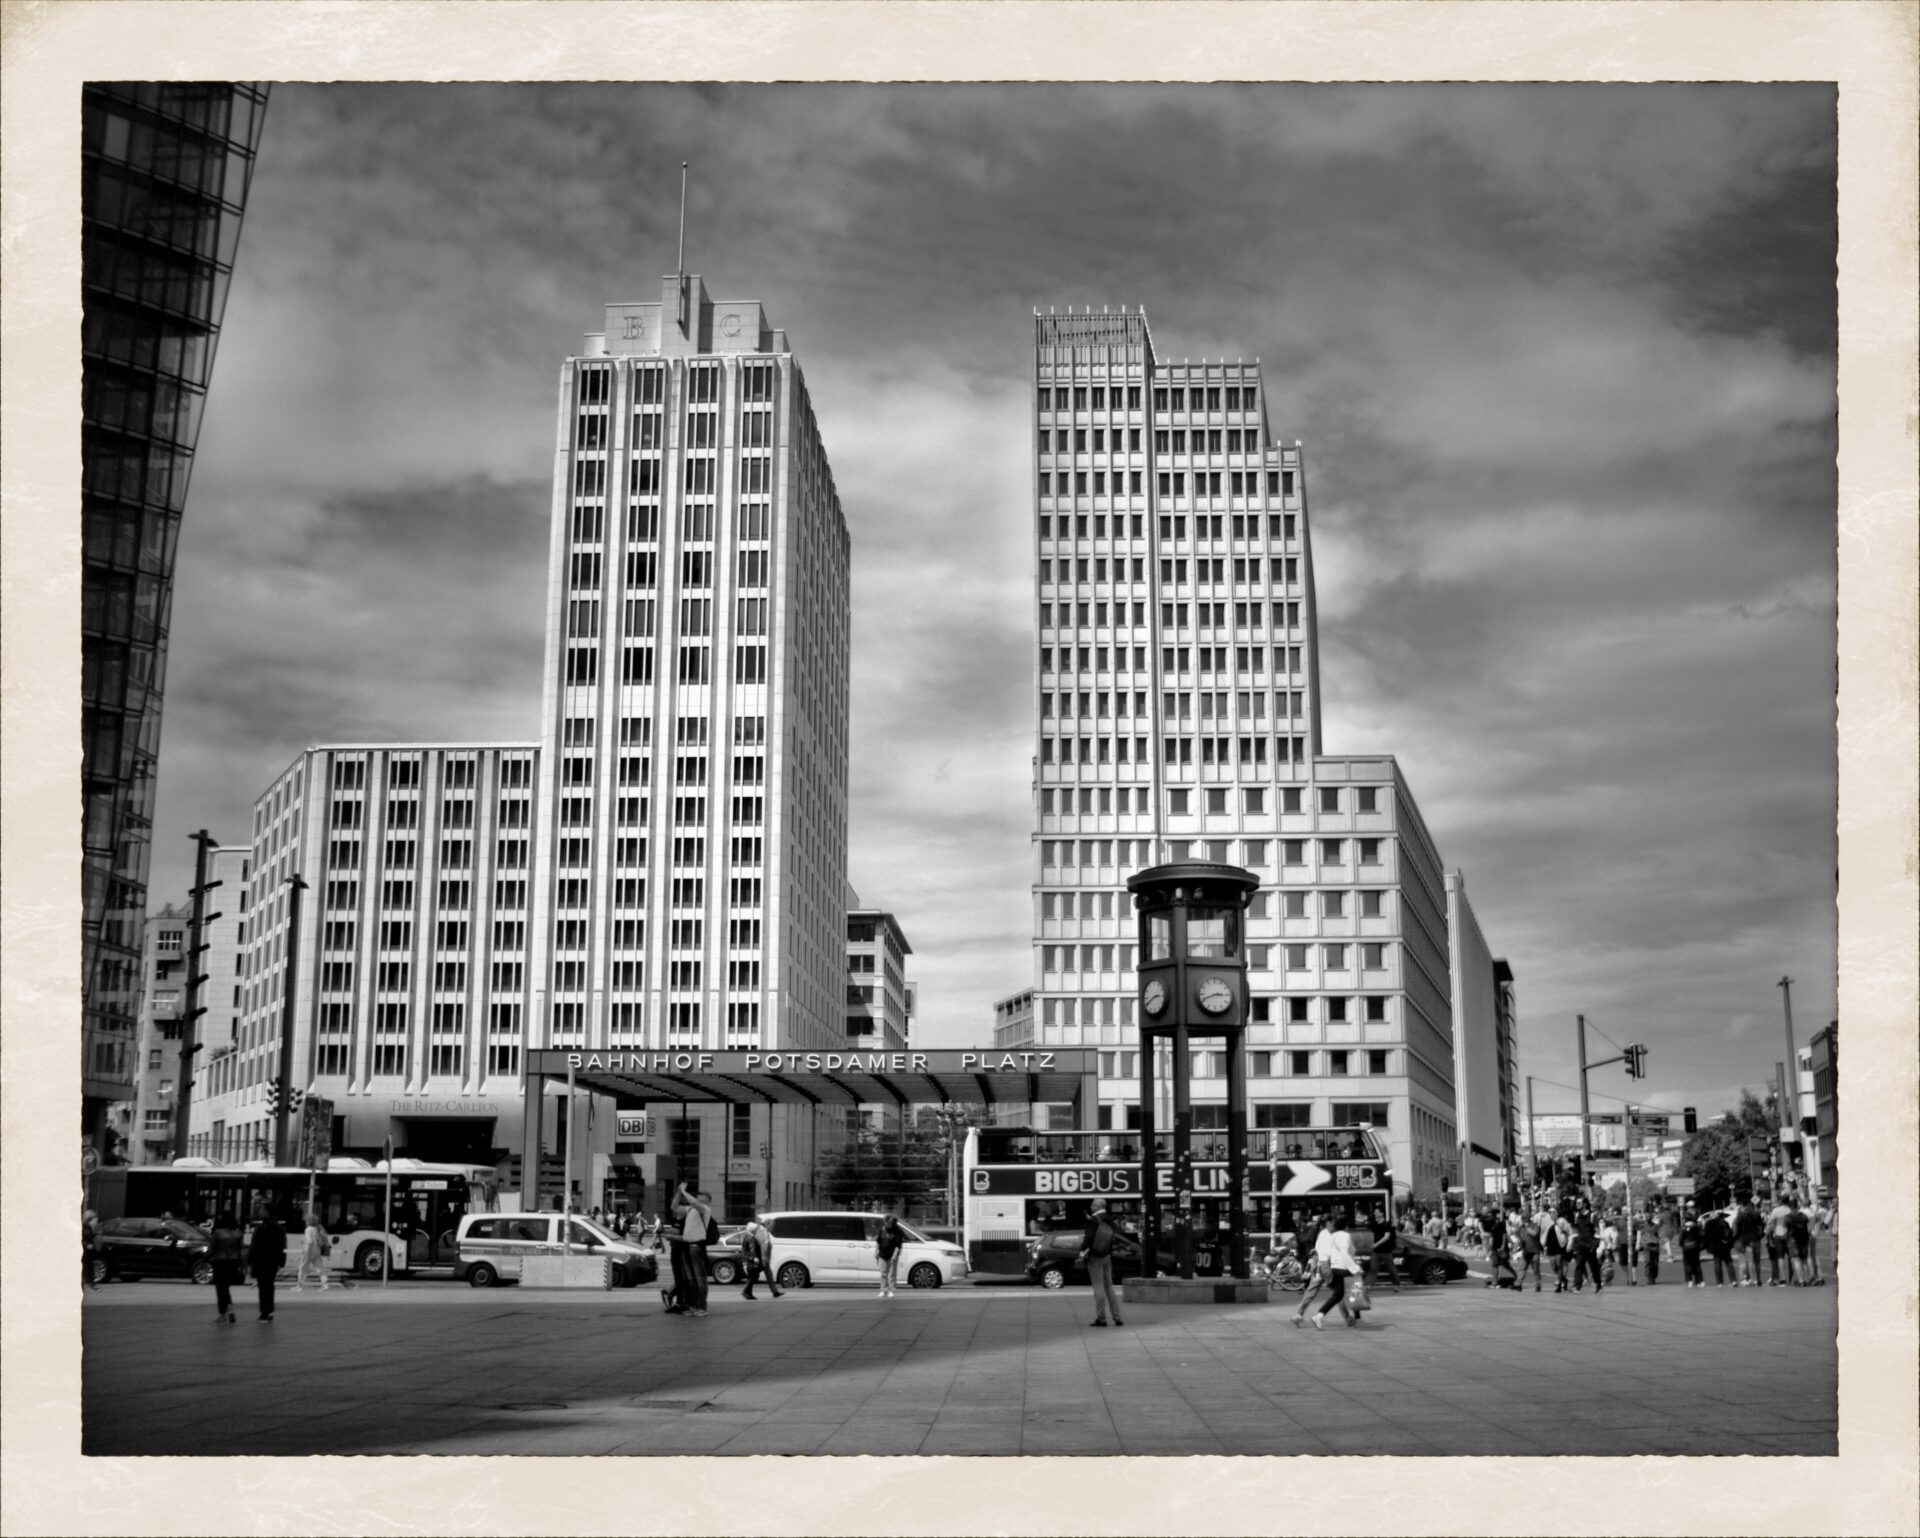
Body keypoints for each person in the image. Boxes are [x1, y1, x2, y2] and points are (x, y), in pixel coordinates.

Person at [1077, 1198, 1125, 1327]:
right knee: (1109, 1286)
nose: (1091, 1207)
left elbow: (1088, 1238)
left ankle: (1101, 1318)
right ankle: (1117, 1316)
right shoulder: (1109, 1219)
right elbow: (1116, 1234)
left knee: (1098, 1287)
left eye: (1093, 1205)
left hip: (1095, 1256)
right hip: (1107, 1255)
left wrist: (1082, 1252)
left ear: (1098, 1206)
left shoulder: (1093, 1220)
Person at [1312, 1211, 1364, 1328]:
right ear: (1346, 1226)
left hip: (1335, 1268)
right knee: (1353, 1293)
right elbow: (1345, 1254)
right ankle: (1357, 1319)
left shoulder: (1333, 1236)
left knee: (1339, 1295)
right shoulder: (1345, 1236)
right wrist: (1355, 1268)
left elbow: (1331, 1253)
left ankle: (1320, 1315)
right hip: (1345, 1268)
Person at [247, 1203, 287, 1323]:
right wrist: (281, 1261)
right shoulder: (280, 1228)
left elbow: (254, 1246)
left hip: (261, 1260)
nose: (260, 1212)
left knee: (263, 1286)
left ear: (267, 1212)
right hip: (273, 1261)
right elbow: (282, 1246)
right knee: (269, 1285)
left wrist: (249, 1260)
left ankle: (264, 1312)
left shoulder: (260, 1228)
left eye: (262, 1210)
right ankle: (269, 1310)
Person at [208, 1209, 245, 1323]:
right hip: (233, 1263)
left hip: (219, 1262)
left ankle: (224, 1314)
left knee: (221, 1288)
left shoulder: (218, 1233)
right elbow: (241, 1251)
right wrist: (242, 1265)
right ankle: (229, 1311)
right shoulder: (238, 1233)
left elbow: (211, 1249)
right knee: (225, 1287)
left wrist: (206, 1258)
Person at [738, 1210, 782, 1299]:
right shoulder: (761, 1233)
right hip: (760, 1259)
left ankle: (773, 1291)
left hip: (759, 1259)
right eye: (772, 1226)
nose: (773, 1228)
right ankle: (746, 1291)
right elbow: (761, 1247)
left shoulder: (755, 1234)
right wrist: (759, 1258)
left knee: (755, 1276)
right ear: (767, 1224)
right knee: (754, 1276)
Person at [294, 1210, 332, 1292]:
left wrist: (306, 1251)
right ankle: (325, 1284)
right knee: (320, 1268)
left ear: (308, 1221)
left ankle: (299, 1286)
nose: (305, 1222)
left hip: (309, 1252)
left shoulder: (308, 1229)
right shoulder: (317, 1228)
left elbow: (310, 1241)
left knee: (302, 1268)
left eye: (306, 1220)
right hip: (317, 1251)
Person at [1568, 1205, 1602, 1294]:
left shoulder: (1592, 1216)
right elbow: (1575, 1230)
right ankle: (1577, 1286)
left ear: (1584, 1204)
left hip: (1590, 1246)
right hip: (1581, 1246)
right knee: (1579, 1265)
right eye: (1577, 1203)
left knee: (1593, 1266)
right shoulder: (1577, 1216)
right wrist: (1574, 1244)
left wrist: (1595, 1244)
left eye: (1579, 1203)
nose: (1577, 1204)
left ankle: (1598, 1284)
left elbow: (1597, 1231)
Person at [1367, 1211, 1403, 1293]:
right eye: (1374, 1212)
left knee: (1391, 1269)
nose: (1375, 1213)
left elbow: (1386, 1237)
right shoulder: (1374, 1224)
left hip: (1386, 1251)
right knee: (1373, 1268)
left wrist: (1376, 1244)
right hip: (1376, 1252)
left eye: (1376, 1212)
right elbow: (1370, 1234)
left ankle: (1396, 1285)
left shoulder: (1386, 1224)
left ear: (1381, 1213)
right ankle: (1369, 1285)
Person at [1732, 1197, 1764, 1286]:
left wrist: (1737, 1238)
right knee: (1757, 1261)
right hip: (1757, 1240)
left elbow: (1737, 1231)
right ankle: (1759, 1279)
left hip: (1746, 1241)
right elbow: (1761, 1227)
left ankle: (1751, 1279)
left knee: (1750, 1261)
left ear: (1742, 1205)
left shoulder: (1740, 1216)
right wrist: (1760, 1236)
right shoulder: (1757, 1214)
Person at [875, 1212, 904, 1298]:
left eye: (891, 1223)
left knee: (892, 1274)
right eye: (887, 1223)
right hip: (882, 1254)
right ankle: (883, 1290)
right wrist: (876, 1251)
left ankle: (892, 1290)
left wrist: (895, 1255)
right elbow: (878, 1241)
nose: (888, 1225)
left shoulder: (898, 1231)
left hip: (892, 1254)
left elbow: (898, 1245)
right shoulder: (883, 1229)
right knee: (883, 1273)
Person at [1703, 1205, 1735, 1286]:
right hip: (1724, 1245)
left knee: (1717, 1263)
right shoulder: (1723, 1222)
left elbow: (1705, 1235)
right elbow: (1729, 1233)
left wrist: (1706, 1246)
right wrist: (1728, 1242)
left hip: (1714, 1247)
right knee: (1728, 1262)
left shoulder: (1708, 1224)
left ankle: (1719, 1282)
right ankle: (1733, 1280)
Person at [1785, 1196, 1813, 1285]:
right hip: (1804, 1239)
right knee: (1804, 1259)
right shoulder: (1804, 1215)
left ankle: (1801, 1280)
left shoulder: (1788, 1217)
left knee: (1796, 1260)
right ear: (1797, 1206)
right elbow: (1808, 1226)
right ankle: (1807, 1279)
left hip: (1793, 1239)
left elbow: (1786, 1228)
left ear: (1791, 1207)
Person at [1678, 1203, 1705, 1287]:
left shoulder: (1683, 1228)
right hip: (1695, 1246)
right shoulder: (1697, 1227)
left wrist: (1682, 1245)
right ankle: (1700, 1280)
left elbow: (1680, 1239)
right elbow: (1701, 1236)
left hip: (1686, 1247)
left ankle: (1690, 1280)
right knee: (1697, 1264)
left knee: (1688, 1264)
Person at [1518, 1212, 1544, 1291]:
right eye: (1522, 1218)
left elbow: (1535, 1234)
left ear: (1528, 1218)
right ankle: (1519, 1284)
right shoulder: (1521, 1227)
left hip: (1534, 1251)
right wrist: (1519, 1246)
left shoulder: (1535, 1225)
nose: (1522, 1220)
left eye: (1524, 1218)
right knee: (1522, 1268)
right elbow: (1521, 1238)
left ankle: (1537, 1285)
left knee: (1536, 1269)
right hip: (1525, 1251)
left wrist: (1528, 1228)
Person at [82, 1209, 101, 1290]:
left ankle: (91, 1283)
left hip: (89, 1250)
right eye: (94, 1219)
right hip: (84, 1249)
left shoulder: (89, 1227)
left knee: (89, 1266)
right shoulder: (82, 1227)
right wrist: (86, 1244)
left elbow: (93, 1236)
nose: (96, 1221)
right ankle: (89, 1283)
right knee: (85, 1266)